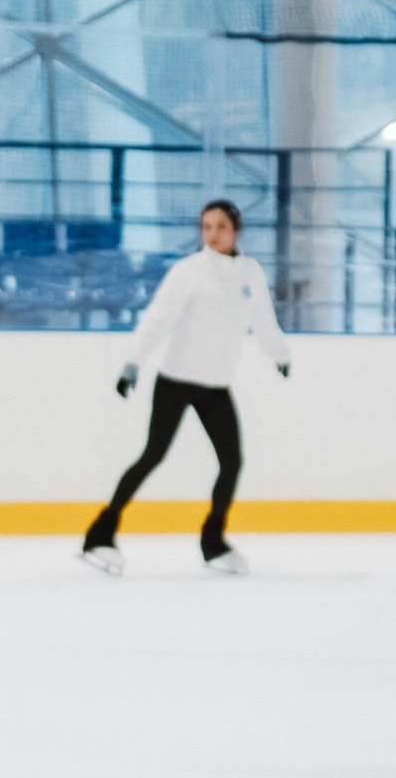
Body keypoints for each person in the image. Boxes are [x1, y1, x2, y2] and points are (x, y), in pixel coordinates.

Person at [80, 199, 290, 576]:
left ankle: (213, 541)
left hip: (215, 384)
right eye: (206, 227)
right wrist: (133, 362)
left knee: (232, 462)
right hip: (176, 379)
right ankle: (100, 534)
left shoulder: (250, 272)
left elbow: (263, 318)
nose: (213, 234)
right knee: (153, 456)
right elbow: (158, 317)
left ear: (236, 229)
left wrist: (278, 353)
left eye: (221, 226)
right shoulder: (189, 271)